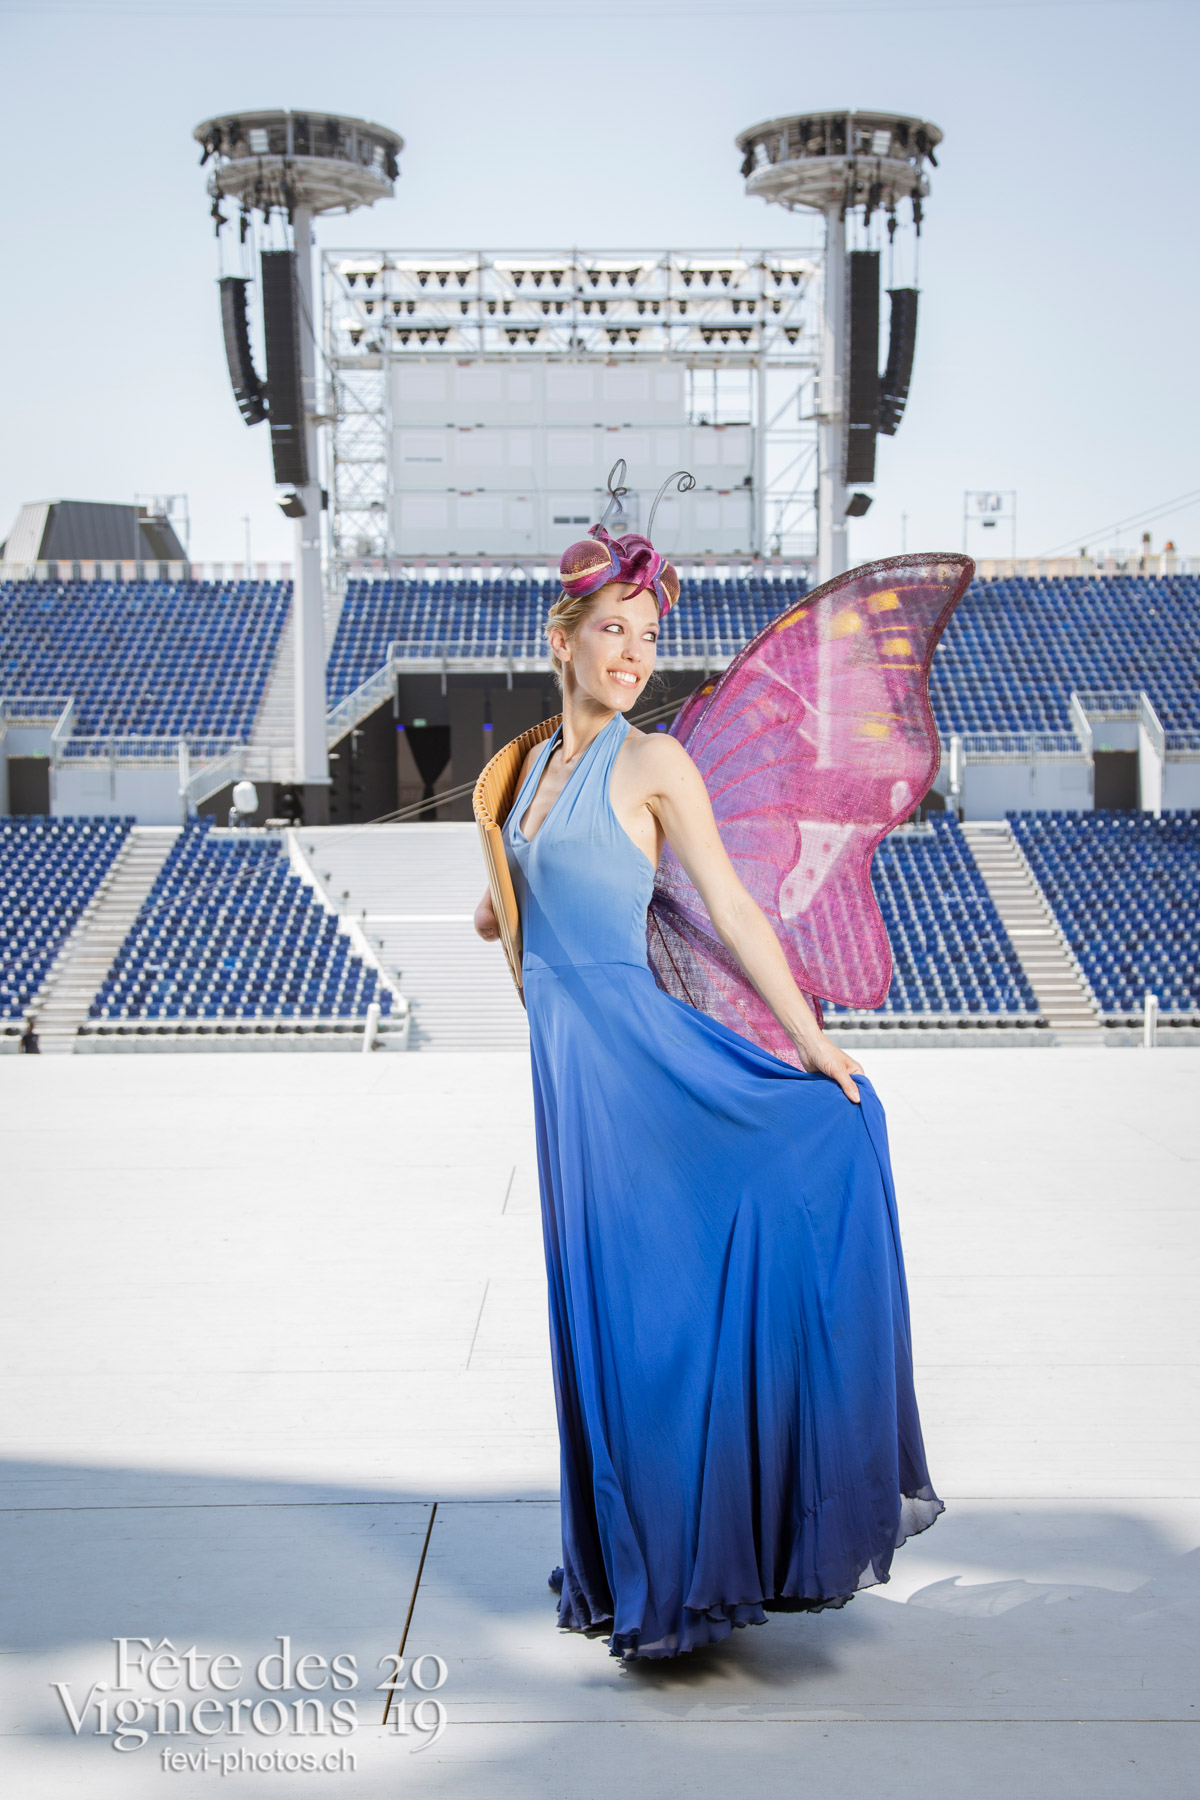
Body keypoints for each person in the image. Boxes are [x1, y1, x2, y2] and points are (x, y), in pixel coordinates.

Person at [473, 521, 942, 1662]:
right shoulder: (524, 769)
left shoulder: (658, 764)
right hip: (569, 1080)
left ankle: (686, 1578)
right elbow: (518, 905)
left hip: (646, 1070)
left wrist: (816, 1047)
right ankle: (629, 1570)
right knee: (605, 1322)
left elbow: (733, 910)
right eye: (612, 632)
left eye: (646, 636)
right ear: (565, 640)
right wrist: (498, 912)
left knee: (658, 1325)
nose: (633, 653)